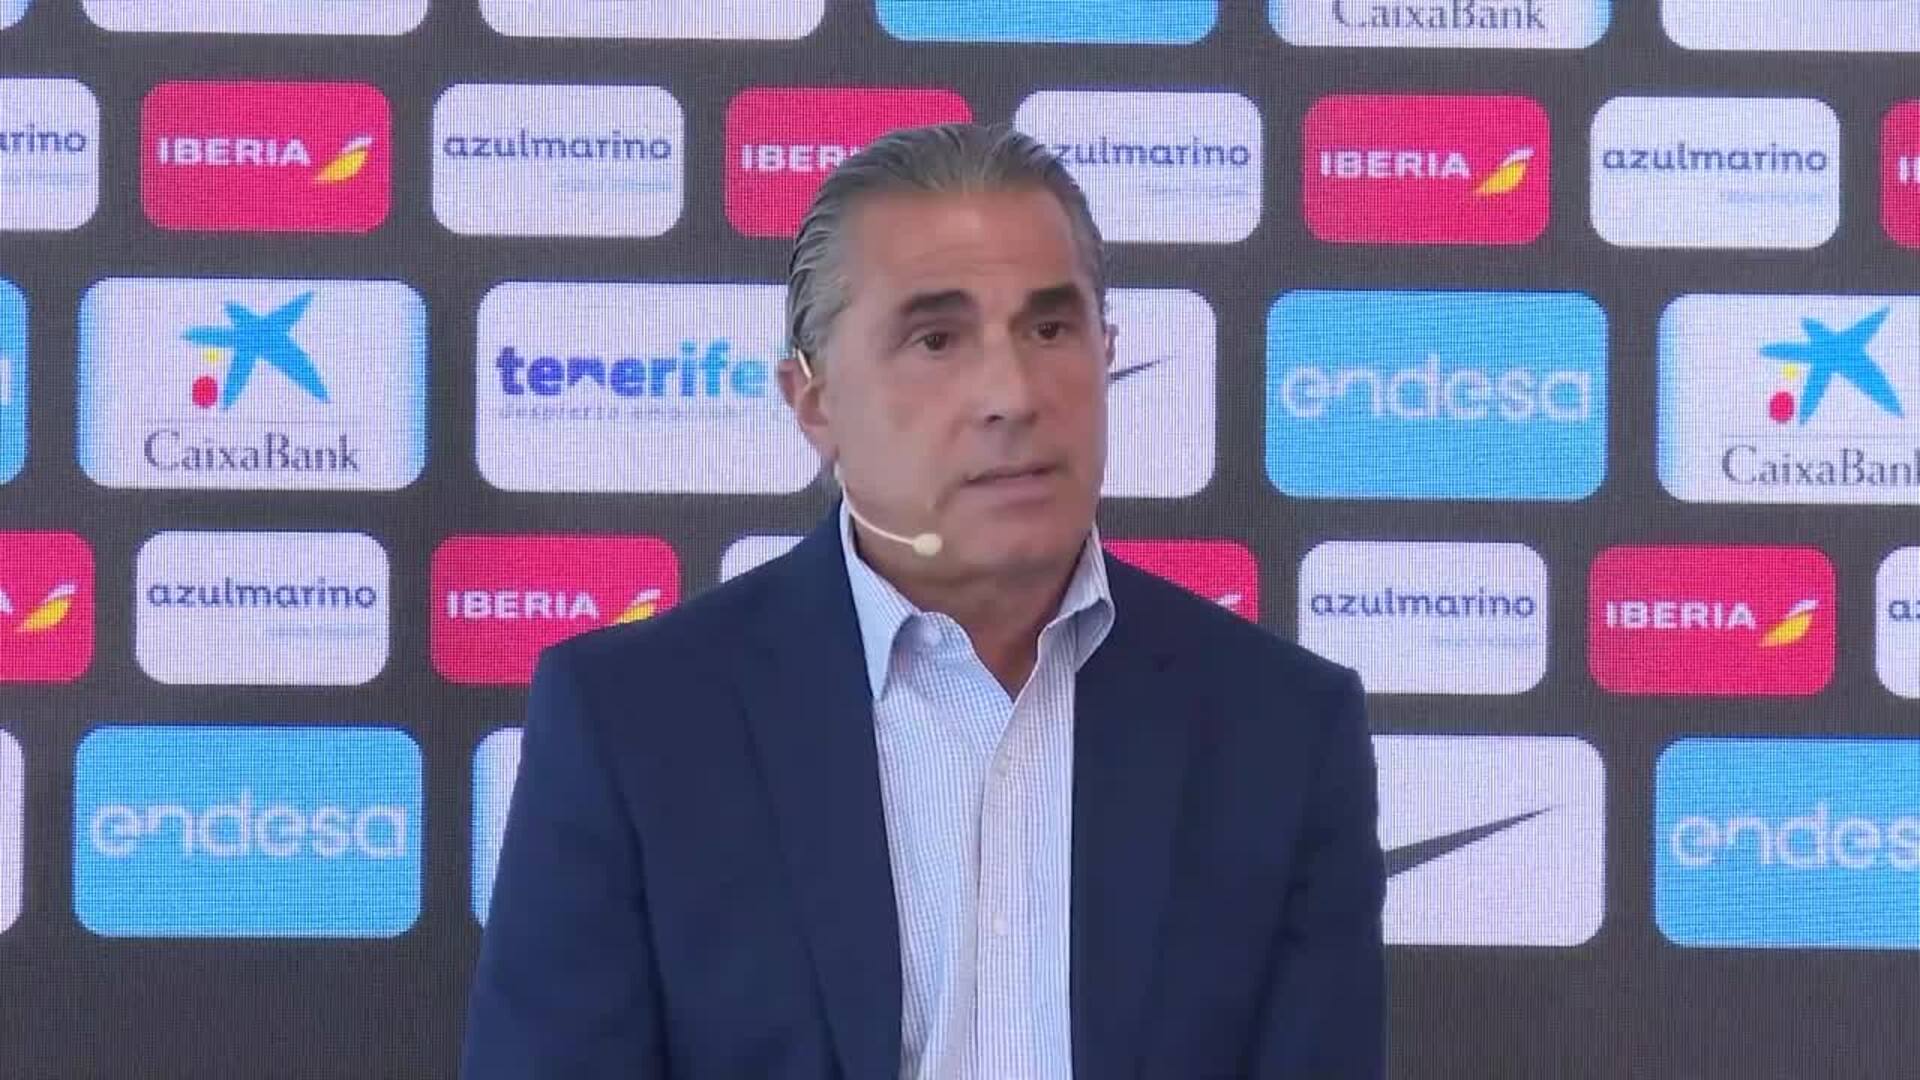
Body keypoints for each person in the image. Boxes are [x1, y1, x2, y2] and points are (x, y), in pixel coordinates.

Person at [462, 122, 1384, 1079]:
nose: (1012, 393)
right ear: (814, 400)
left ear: (1106, 353)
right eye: (937, 339)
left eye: (1051, 329)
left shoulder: (1281, 728)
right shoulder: (634, 724)